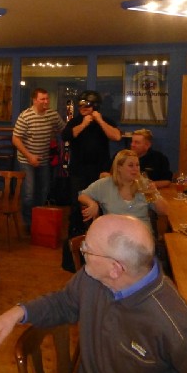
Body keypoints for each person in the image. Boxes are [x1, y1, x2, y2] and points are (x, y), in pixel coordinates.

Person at [0, 214, 187, 373]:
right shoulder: (93, 277)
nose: (82, 252)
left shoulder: (173, 322)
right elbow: (64, 302)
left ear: (116, 268)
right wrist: (16, 313)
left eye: (87, 250)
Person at [60, 90, 121, 272]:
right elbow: (66, 136)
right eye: (80, 105)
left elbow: (116, 136)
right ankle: (75, 253)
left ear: (95, 106)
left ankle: (100, 250)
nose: (82, 108)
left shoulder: (104, 120)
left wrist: (99, 121)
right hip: (79, 172)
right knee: (78, 209)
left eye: (86, 105)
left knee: (101, 209)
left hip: (100, 173)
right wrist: (84, 124)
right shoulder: (76, 121)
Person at [12, 88, 66, 232]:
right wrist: (29, 156)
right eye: (43, 99)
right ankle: (28, 223)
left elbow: (64, 129)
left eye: (47, 99)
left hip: (44, 159)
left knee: (43, 191)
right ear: (34, 100)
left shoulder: (52, 115)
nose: (46, 102)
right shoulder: (25, 116)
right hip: (26, 159)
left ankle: (37, 220)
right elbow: (15, 139)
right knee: (29, 193)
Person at [78, 150, 168, 231]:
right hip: (115, 235)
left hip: (141, 235)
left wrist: (154, 194)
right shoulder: (105, 184)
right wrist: (92, 204)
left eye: (137, 165)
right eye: (131, 165)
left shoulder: (144, 184)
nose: (135, 169)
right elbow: (82, 195)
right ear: (119, 168)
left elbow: (164, 211)